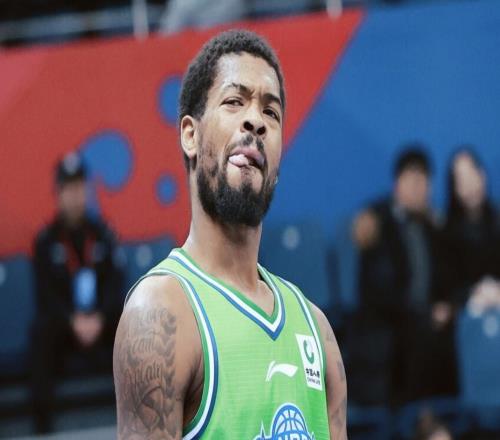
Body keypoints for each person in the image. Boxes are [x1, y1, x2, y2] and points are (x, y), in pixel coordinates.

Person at [113, 30, 347, 439]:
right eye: (234, 101)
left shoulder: (317, 330)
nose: (256, 120)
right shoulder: (160, 314)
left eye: (271, 112)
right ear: (190, 135)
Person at [349, 147, 454, 405]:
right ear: (397, 183)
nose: (418, 188)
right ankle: (423, 419)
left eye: (423, 181)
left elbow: (447, 281)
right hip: (389, 331)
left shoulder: (434, 228)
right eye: (412, 179)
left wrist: (445, 307)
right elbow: (380, 289)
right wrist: (423, 314)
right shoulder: (377, 223)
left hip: (425, 328)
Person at [31, 151, 122, 434]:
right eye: (68, 189)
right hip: (65, 328)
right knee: (40, 333)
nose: (75, 196)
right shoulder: (45, 241)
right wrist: (73, 321)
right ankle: (42, 427)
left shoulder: (104, 234)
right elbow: (46, 295)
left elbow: (115, 285)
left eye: (80, 188)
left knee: (133, 325)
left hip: (101, 325)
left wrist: (100, 318)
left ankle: (138, 418)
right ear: (58, 193)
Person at [442, 147, 500, 314]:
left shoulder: (497, 221)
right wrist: (476, 293)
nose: (469, 185)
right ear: (454, 188)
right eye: (461, 180)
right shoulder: (445, 233)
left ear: (482, 175)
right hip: (467, 314)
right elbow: (447, 289)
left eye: (472, 176)